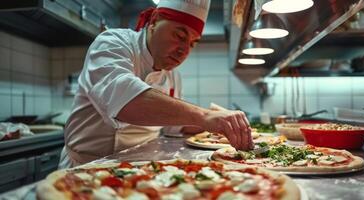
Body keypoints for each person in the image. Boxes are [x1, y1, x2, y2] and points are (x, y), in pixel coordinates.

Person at [59, 0, 253, 169]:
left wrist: (221, 124)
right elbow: (124, 101)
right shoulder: (113, 43)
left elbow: (173, 127)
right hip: (85, 167)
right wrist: (205, 116)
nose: (184, 51)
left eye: (193, 43)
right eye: (180, 36)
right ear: (154, 21)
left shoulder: (172, 76)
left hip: (141, 167)